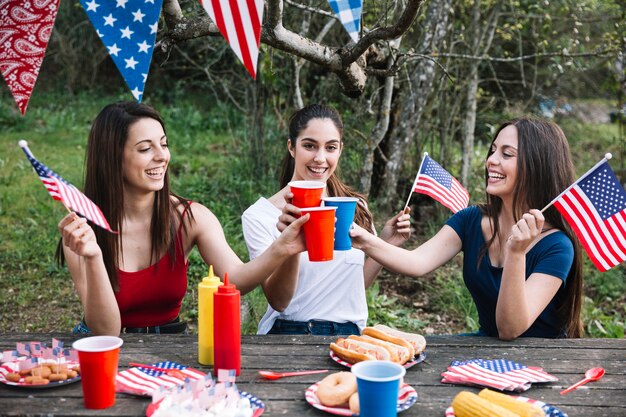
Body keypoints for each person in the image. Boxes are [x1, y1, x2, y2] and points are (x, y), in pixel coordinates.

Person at [57, 102, 308, 336]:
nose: (162, 156)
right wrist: (93, 256)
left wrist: (282, 247)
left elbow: (236, 279)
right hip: (106, 348)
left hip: (171, 345)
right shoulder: (83, 231)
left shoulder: (190, 217)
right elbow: (105, 332)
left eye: (164, 144)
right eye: (145, 148)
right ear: (112, 157)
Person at [350, 117, 584, 339]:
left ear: (537, 166)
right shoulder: (470, 220)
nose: (491, 160)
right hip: (483, 348)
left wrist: (516, 253)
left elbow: (510, 329)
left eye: (507, 154)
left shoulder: (557, 246)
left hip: (542, 360)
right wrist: (365, 240)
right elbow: (417, 262)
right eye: (493, 150)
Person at [241, 104, 411, 335]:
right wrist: (291, 246)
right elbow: (279, 302)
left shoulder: (355, 207)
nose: (320, 158)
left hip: (350, 335)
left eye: (330, 147)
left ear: (340, 150)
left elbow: (352, 287)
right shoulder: (260, 215)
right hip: (290, 332)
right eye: (309, 146)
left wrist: (385, 243)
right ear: (292, 147)